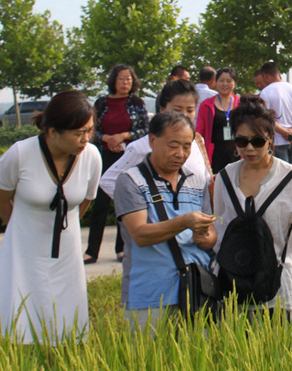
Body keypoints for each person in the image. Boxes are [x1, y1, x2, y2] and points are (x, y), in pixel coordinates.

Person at [0, 91, 102, 344]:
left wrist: (67, 226)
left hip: (67, 247)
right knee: (19, 315)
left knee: (66, 319)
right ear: (52, 132)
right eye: (78, 133)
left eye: (89, 131)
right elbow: (1, 198)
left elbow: (85, 200)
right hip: (23, 246)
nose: (86, 139)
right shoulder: (20, 154)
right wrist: (16, 229)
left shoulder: (92, 156)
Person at [213, 94, 292, 314]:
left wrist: (274, 255)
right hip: (232, 286)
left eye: (258, 141)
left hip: (276, 289)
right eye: (242, 141)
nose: (249, 148)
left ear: (270, 138)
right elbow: (219, 224)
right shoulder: (225, 178)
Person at [114, 111, 217, 330]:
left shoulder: (197, 182)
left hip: (196, 292)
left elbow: (211, 235)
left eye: (187, 146)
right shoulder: (131, 181)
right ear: (152, 140)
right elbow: (140, 235)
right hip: (149, 295)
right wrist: (185, 222)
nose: (181, 153)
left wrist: (205, 237)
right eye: (173, 145)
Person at [100, 79, 211, 199]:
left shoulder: (197, 142)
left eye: (190, 110)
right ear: (162, 109)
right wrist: (140, 209)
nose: (184, 115)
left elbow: (205, 182)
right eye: (177, 110)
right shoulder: (142, 147)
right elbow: (108, 182)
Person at [85, 64, 149, 264]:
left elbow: (145, 129)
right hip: (105, 155)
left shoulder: (137, 102)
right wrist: (107, 138)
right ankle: (91, 250)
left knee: (126, 202)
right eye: (121, 78)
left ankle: (121, 249)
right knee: (100, 205)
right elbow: (92, 129)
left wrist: (124, 136)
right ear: (114, 80)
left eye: (129, 79)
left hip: (128, 157)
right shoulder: (102, 103)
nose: (125, 82)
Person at [260, 62, 292, 164]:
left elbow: (265, 119)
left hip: (277, 140)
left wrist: (284, 133)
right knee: (291, 172)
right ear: (279, 73)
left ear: (265, 75)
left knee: (281, 174)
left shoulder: (266, 92)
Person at [196, 67, 240, 173]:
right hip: (215, 154)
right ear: (216, 82)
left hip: (237, 153)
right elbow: (199, 132)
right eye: (221, 80)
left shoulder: (241, 104)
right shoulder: (206, 105)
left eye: (229, 81)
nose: (225, 84)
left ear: (234, 83)